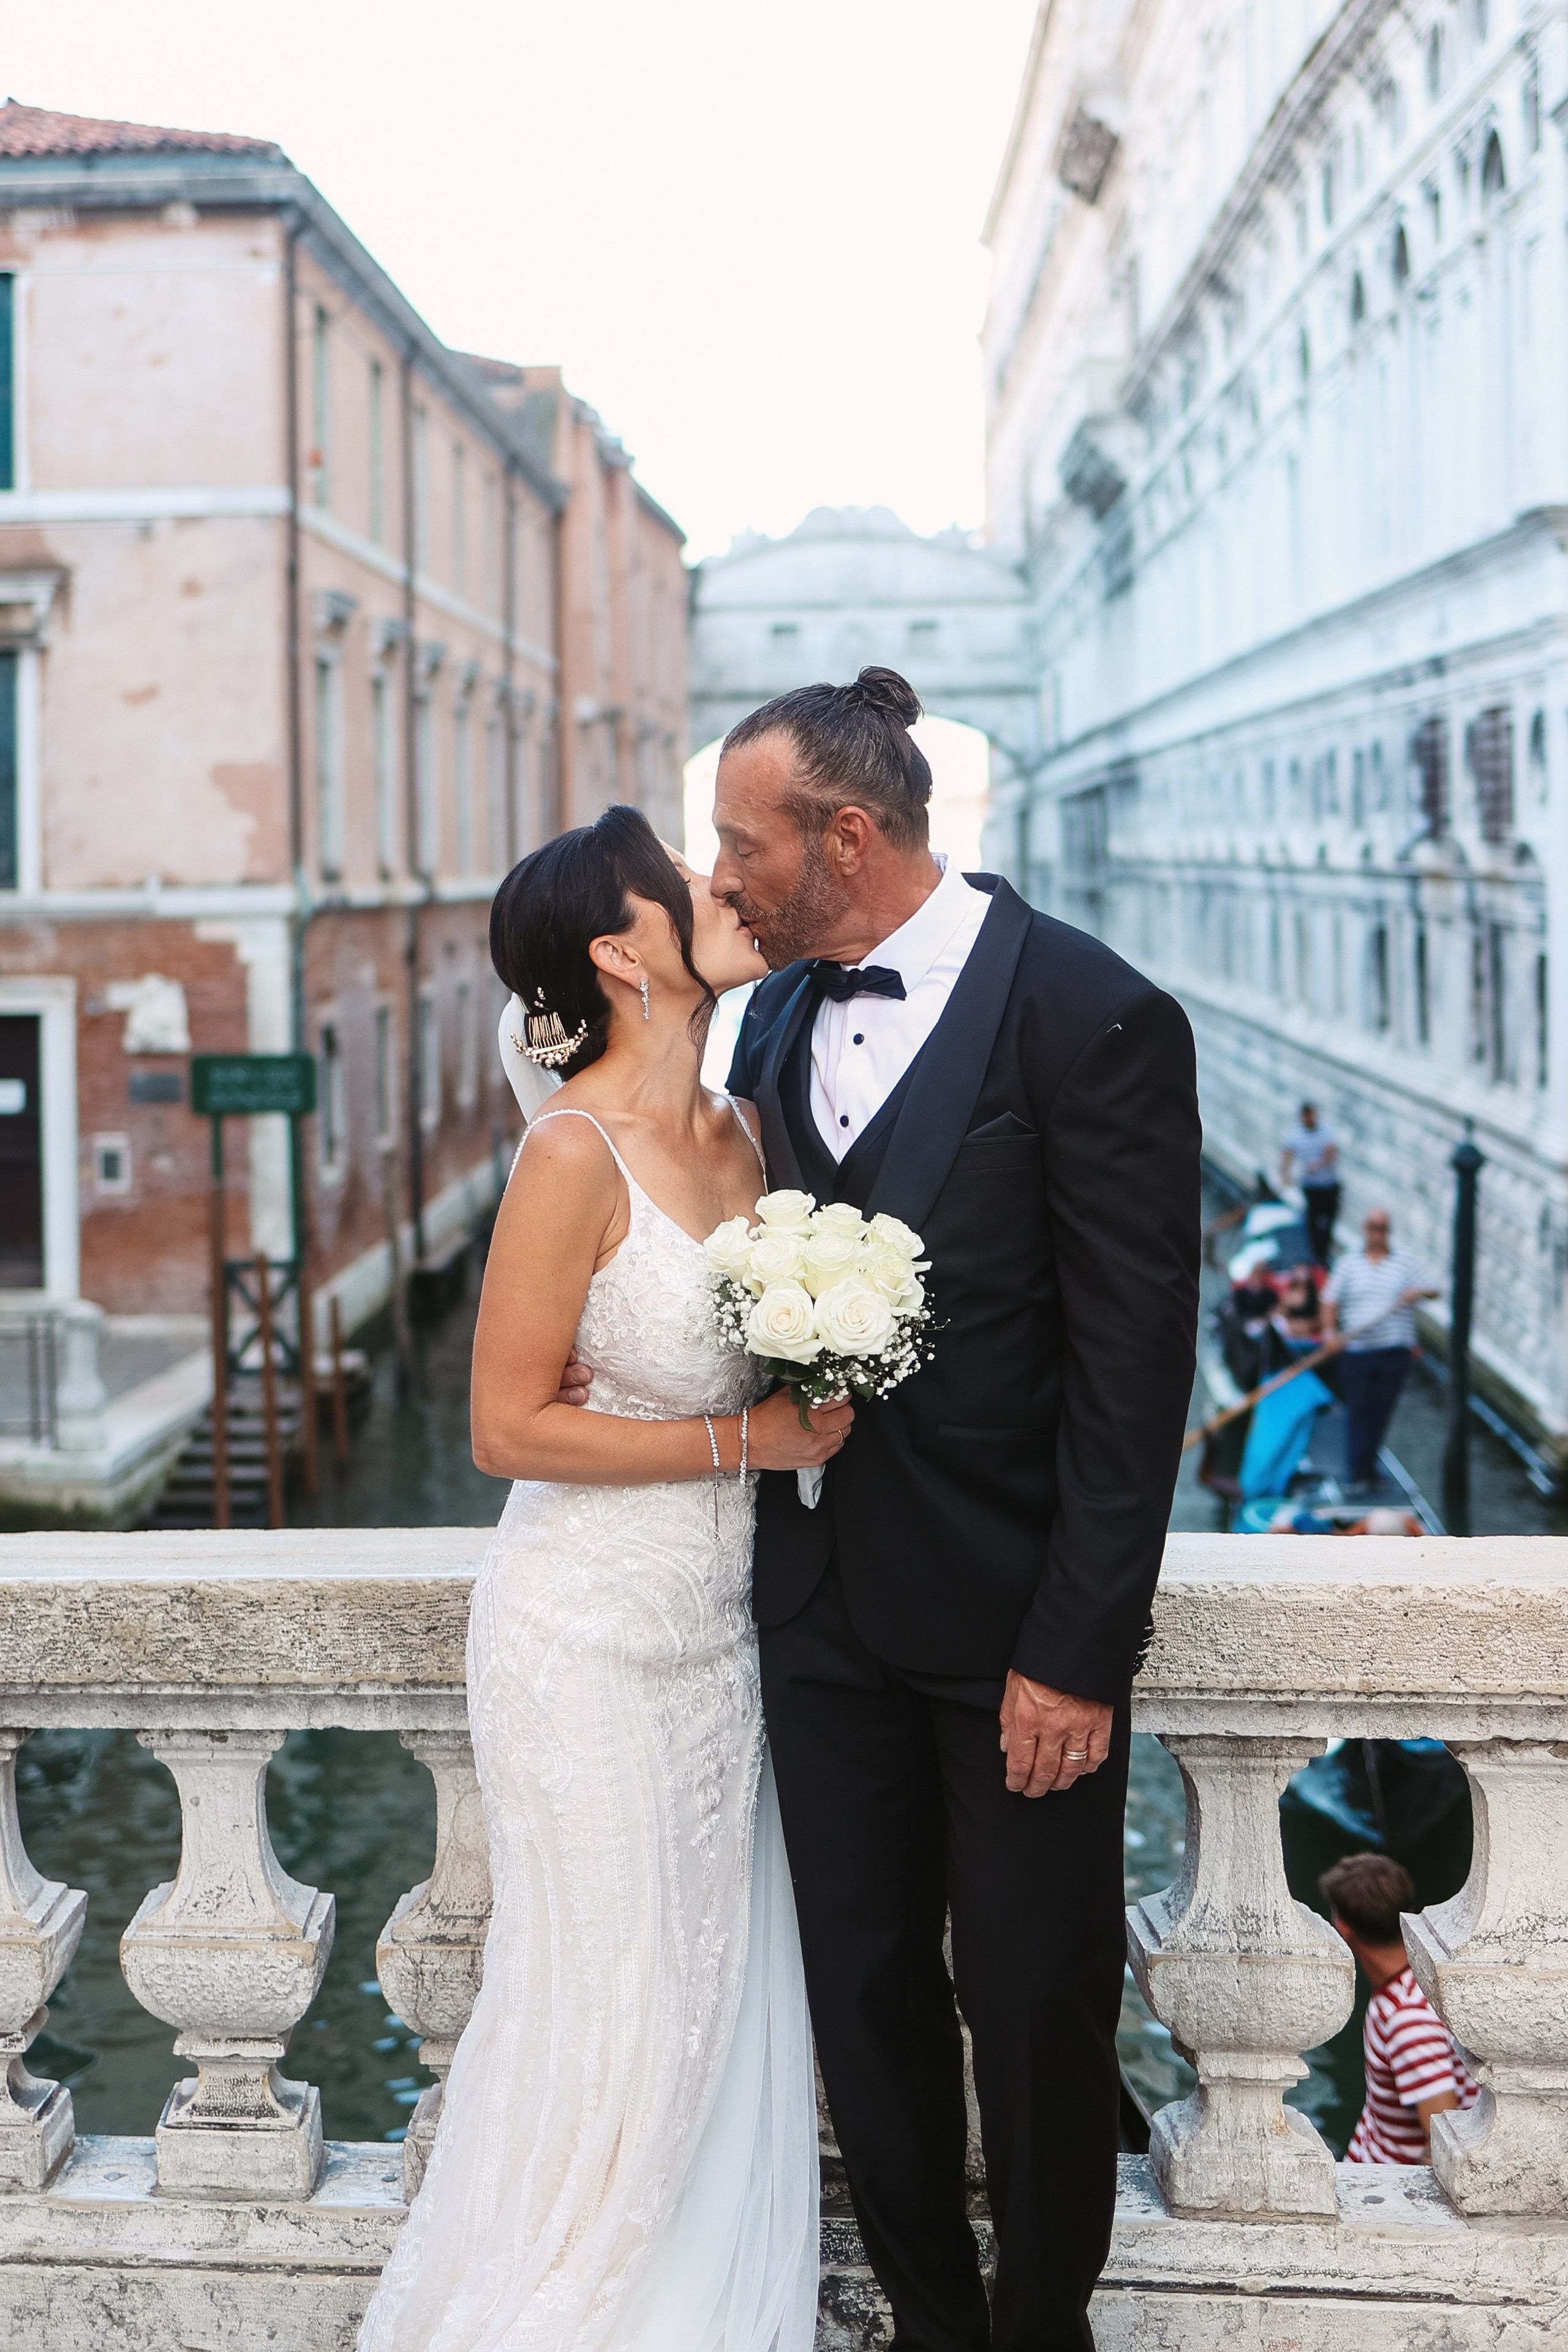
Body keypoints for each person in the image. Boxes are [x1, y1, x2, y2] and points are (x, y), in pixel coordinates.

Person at [714, 668, 1201, 2351]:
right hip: (815, 1610)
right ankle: (930, 2324)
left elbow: (1135, 1366)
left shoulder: (1093, 1011)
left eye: (742, 844)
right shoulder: (766, 1020)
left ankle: (1042, 2327)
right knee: (860, 2000)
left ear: (846, 836)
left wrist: (1078, 1647)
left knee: (1035, 2000)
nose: (722, 877)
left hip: (1015, 1635)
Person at [357, 806, 833, 2352]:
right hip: (583, 1635)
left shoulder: (747, 1127)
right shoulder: (568, 1151)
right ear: (625, 953)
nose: (724, 885)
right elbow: (505, 1428)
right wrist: (748, 1438)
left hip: (717, 1641)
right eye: (687, 880)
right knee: (612, 2006)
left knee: (711, 2001)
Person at [1319, 1853, 1479, 2163]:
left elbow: (1442, 2145)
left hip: (1379, 2185)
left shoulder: (1408, 2020)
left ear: (1343, 1928)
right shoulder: (1419, 1983)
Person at [1322, 1208, 1439, 1494]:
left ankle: (1369, 1470)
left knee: (1381, 1413)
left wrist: (1417, 1293)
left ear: (1388, 1231)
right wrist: (1330, 1333)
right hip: (1357, 1352)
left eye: (1382, 1228)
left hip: (1394, 1352)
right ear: (1365, 1229)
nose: (1377, 1233)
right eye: (1373, 1227)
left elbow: (1435, 1289)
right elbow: (1329, 1301)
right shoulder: (1349, 1263)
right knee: (1358, 1411)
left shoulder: (1404, 1261)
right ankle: (1356, 1473)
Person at [1280, 1101, 1340, 1267]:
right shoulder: (1296, 1135)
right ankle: (1317, 1257)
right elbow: (1287, 1155)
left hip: (1329, 1185)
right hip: (1311, 1187)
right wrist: (1285, 1176)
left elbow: (1332, 1152)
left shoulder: (1326, 1131)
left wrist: (1319, 1164)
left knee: (1329, 1221)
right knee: (1313, 1221)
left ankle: (1323, 1254)